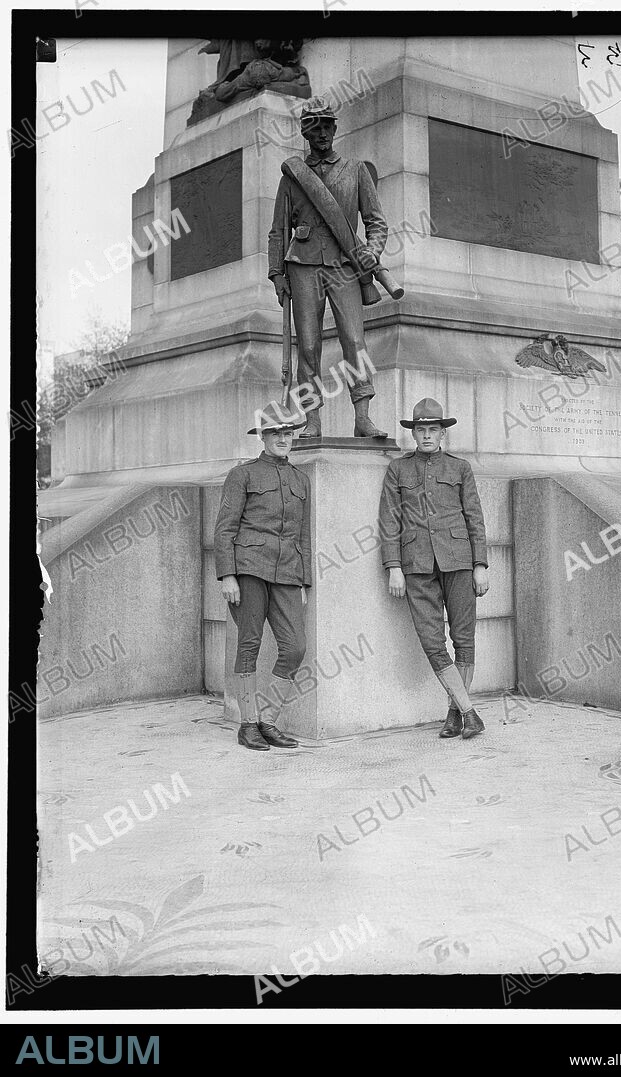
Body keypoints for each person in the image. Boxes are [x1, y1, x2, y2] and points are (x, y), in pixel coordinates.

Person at [267, 96, 388, 439]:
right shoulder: (293, 176)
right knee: (308, 346)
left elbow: (377, 223)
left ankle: (363, 416)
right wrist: (277, 274)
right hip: (303, 267)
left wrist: (372, 252)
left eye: (327, 126)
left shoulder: (356, 171)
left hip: (345, 267)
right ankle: (313, 420)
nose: (322, 133)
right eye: (314, 127)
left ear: (335, 128)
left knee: (354, 340)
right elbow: (278, 231)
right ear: (305, 132)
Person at [378, 398, 489, 739]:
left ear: (442, 433)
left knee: (463, 639)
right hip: (416, 565)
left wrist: (480, 564)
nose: (426, 435)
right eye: (420, 430)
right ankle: (470, 711)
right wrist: (394, 566)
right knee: (432, 641)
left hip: (458, 560)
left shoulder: (460, 468)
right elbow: (389, 520)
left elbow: (475, 518)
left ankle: (456, 714)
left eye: (432, 430)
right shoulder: (398, 469)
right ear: (413, 434)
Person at [214, 402, 311, 751]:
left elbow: (304, 535)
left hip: (287, 572)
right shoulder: (243, 475)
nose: (282, 438)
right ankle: (247, 723)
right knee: (249, 645)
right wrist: (227, 575)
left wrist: (303, 581)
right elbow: (224, 529)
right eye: (275, 433)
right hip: (249, 568)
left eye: (287, 432)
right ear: (264, 436)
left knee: (295, 647)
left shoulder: (301, 479)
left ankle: (268, 720)